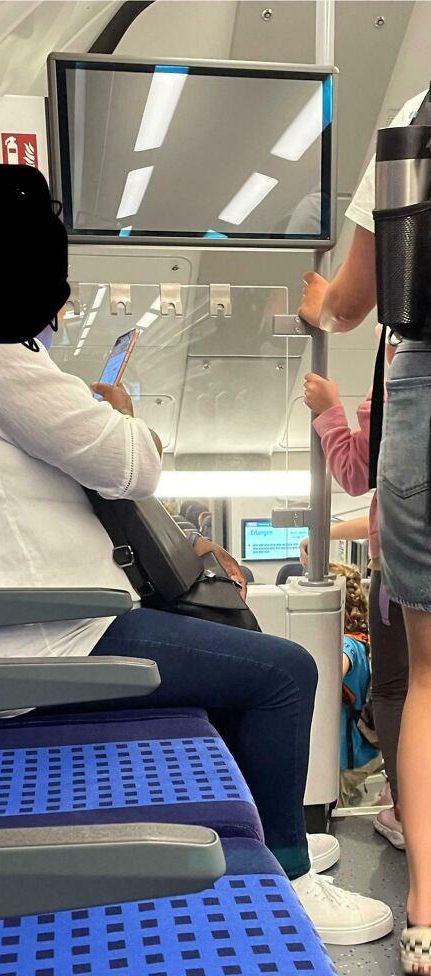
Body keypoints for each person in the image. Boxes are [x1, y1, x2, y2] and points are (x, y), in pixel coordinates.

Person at [0, 306, 392, 945]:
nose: (62, 307)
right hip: (43, 639)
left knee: (249, 659)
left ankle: (267, 830)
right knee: (283, 671)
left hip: (41, 622)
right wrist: (123, 416)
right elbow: (132, 464)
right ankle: (287, 880)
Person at [298, 88, 428, 970]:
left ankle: (427, 908)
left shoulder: (419, 118)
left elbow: (351, 302)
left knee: (428, 677)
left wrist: (321, 305)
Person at [301, 333, 407, 848]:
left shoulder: (398, 388)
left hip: (405, 567)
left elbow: (357, 471)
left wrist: (329, 412)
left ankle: (407, 810)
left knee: (399, 689)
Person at [330, 563, 383, 807]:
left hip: (348, 758)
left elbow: (329, 679)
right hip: (369, 747)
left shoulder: (346, 647)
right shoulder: (366, 637)